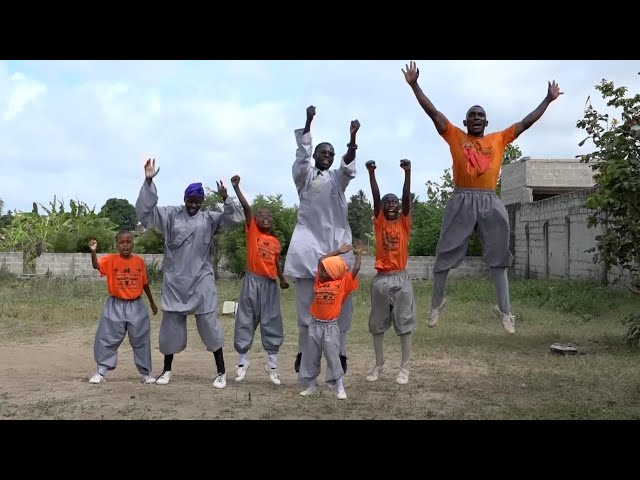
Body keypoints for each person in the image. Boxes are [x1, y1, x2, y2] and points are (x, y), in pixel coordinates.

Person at [402, 61, 563, 334]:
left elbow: (526, 122)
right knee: (444, 252)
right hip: (462, 199)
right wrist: (415, 84)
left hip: (490, 200)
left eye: (481, 115)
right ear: (466, 122)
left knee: (499, 256)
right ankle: (436, 306)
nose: (476, 118)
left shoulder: (498, 139)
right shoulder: (454, 135)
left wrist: (548, 99)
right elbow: (433, 112)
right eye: (472, 115)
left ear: (486, 122)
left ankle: (505, 312)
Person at [135, 158, 245, 388]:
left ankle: (221, 372)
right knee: (170, 330)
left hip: (201, 280)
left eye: (197, 201)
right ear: (184, 199)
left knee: (209, 326)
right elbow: (146, 213)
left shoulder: (210, 219)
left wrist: (226, 198)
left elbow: (235, 219)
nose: (193, 204)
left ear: (202, 202)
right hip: (175, 281)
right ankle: (166, 371)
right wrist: (148, 181)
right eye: (190, 200)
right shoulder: (170, 216)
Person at [284, 105, 361, 375]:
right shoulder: (304, 178)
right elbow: (302, 156)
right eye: (323, 152)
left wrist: (352, 139)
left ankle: (339, 357)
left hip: (337, 250)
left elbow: (348, 167)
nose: (327, 156)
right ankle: (306, 355)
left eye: (331, 153)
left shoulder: (337, 181)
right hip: (307, 251)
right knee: (306, 312)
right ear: (315, 154)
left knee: (339, 309)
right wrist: (308, 120)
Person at [230, 175, 289, 385]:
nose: (266, 217)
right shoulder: (252, 232)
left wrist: (281, 280)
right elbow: (247, 209)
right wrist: (237, 188)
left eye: (269, 216)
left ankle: (272, 365)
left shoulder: (275, 242)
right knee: (245, 319)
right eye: (261, 215)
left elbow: (276, 263)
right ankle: (242, 362)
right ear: (255, 220)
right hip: (252, 282)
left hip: (270, 284)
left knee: (272, 321)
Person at [364, 159, 416, 384]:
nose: (392, 204)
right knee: (377, 325)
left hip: (401, 278)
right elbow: (375, 197)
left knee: (404, 324)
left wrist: (407, 173)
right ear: (382, 209)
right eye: (388, 203)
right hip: (381, 280)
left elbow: (406, 199)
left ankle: (405, 368)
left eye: (395, 202)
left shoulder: (404, 222)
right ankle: (379, 364)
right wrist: (371, 173)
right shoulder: (380, 222)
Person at [87, 231, 158, 385]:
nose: (125, 245)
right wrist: (93, 252)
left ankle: (146, 372)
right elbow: (96, 266)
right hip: (115, 304)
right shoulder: (110, 260)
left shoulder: (139, 262)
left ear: (133, 243)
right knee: (107, 337)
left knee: (141, 338)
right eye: (121, 242)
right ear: (117, 244)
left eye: (128, 241)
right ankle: (101, 371)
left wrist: (152, 302)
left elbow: (144, 283)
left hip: (136, 305)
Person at [298, 244, 362, 400]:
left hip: (330, 327)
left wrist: (358, 254)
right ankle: (311, 385)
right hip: (315, 325)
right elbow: (321, 260)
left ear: (333, 272)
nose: (321, 271)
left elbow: (355, 269)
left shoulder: (341, 284)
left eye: (325, 270)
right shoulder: (320, 282)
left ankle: (340, 387)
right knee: (311, 356)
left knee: (333, 356)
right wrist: (338, 252)